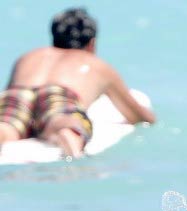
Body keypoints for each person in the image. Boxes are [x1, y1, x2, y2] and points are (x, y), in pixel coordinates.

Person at [0, 7, 155, 158]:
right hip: (60, 95)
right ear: (92, 43)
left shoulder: (28, 57)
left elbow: (14, 102)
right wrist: (149, 117)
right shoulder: (95, 64)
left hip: (18, 93)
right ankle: (73, 154)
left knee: (6, 125)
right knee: (63, 125)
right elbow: (137, 116)